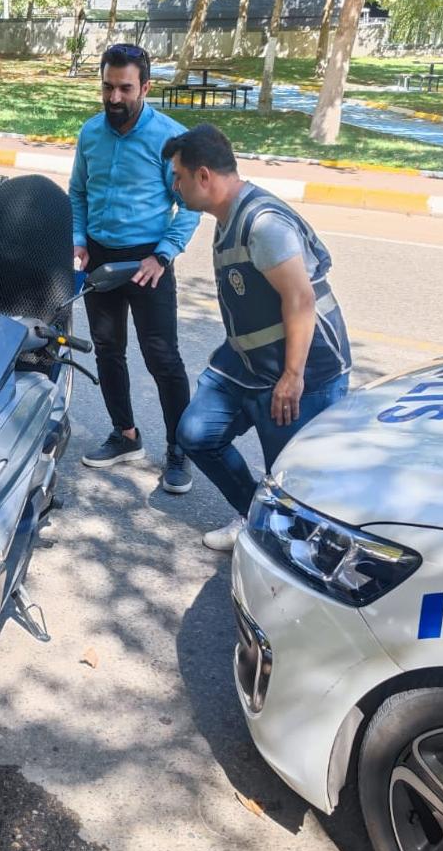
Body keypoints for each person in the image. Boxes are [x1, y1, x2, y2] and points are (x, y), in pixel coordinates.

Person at [164, 124, 352, 551]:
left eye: (178, 176)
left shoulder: (262, 223)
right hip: (248, 361)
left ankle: (293, 562)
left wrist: (292, 375)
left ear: (204, 176)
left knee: (293, 480)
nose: (174, 185)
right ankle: (257, 519)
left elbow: (300, 299)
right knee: (196, 434)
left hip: (304, 368)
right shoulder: (227, 214)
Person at [70, 43, 199, 494]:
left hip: (150, 262)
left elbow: (190, 206)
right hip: (100, 259)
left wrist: (162, 254)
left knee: (163, 359)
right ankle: (125, 436)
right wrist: (80, 240)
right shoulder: (90, 134)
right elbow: (78, 194)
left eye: (125, 88)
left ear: (145, 86)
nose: (114, 98)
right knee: (108, 351)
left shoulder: (169, 139)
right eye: (107, 86)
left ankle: (179, 452)